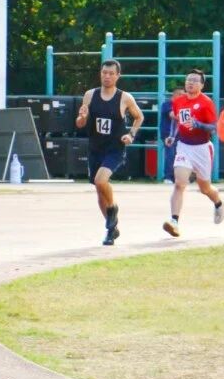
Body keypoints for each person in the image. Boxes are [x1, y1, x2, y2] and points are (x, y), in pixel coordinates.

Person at [75, 59, 144, 246]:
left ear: (118, 76)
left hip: (114, 148)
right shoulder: (90, 95)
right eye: (104, 73)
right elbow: (80, 124)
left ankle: (112, 208)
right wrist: (82, 117)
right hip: (95, 148)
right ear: (100, 73)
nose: (107, 76)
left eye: (111, 73)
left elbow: (139, 117)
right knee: (99, 190)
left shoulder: (125, 98)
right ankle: (111, 229)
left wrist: (131, 134)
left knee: (101, 180)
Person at [163, 69, 224, 237]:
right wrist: (172, 136)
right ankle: (174, 222)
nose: (190, 82)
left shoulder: (206, 103)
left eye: (195, 80)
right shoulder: (179, 101)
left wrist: (198, 124)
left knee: (204, 188)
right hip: (184, 146)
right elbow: (177, 121)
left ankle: (218, 203)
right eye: (188, 79)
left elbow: (213, 127)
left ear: (202, 85)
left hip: (202, 148)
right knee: (179, 183)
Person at [159, 87, 184, 183]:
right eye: (181, 94)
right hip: (168, 135)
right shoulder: (167, 105)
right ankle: (167, 177)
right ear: (175, 95)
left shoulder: (182, 105)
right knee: (170, 155)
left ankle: (175, 177)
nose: (183, 96)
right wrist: (188, 117)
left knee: (179, 156)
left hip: (180, 135)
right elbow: (173, 115)